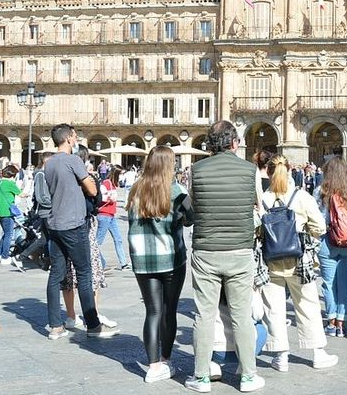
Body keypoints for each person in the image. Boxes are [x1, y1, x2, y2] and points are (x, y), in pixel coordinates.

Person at [185, 120, 265, 393]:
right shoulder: (250, 170)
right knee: (242, 316)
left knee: (204, 315)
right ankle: (249, 376)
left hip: (206, 251)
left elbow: (190, 207)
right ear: (234, 143)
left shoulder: (195, 170)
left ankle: (201, 377)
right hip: (240, 252)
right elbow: (259, 206)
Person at [260, 154, 338, 372]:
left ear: (268, 172)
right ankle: (317, 354)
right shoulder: (301, 196)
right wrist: (306, 235)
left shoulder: (262, 199)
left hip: (270, 261)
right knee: (308, 305)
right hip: (299, 260)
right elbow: (320, 227)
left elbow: (255, 229)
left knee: (273, 309)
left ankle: (280, 356)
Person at [43, 124, 119, 340]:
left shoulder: (48, 164)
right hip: (74, 223)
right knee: (84, 272)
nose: (76, 139)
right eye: (74, 136)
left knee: (56, 274)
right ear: (68, 139)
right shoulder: (73, 160)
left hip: (55, 223)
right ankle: (93, 325)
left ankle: (55, 325)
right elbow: (93, 189)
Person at [127, 146, 192, 383]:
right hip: (171, 258)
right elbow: (191, 218)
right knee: (169, 310)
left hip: (142, 259)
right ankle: (165, 359)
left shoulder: (135, 189)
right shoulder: (178, 191)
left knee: (152, 311)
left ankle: (153, 366)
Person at [59, 145, 116, 331]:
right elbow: (96, 201)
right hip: (84, 226)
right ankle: (94, 314)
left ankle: (70, 316)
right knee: (91, 271)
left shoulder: (62, 177)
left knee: (68, 273)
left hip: (64, 225)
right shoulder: (88, 179)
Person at [316, 156, 347, 339]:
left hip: (328, 240)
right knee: (344, 284)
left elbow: (318, 219)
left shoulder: (322, 191)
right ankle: (341, 323)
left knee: (328, 283)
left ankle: (331, 321)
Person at [0, 164, 24, 268]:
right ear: (12, 175)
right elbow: (21, 194)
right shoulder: (10, 184)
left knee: (5, 233)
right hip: (8, 212)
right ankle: (5, 256)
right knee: (9, 234)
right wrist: (27, 189)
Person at [97, 165, 129, 271]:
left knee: (118, 239)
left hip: (111, 215)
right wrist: (108, 198)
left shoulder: (113, 184)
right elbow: (100, 196)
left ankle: (123, 263)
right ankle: (100, 262)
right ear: (116, 174)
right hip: (104, 215)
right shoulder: (106, 183)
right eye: (121, 174)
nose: (122, 176)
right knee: (97, 242)